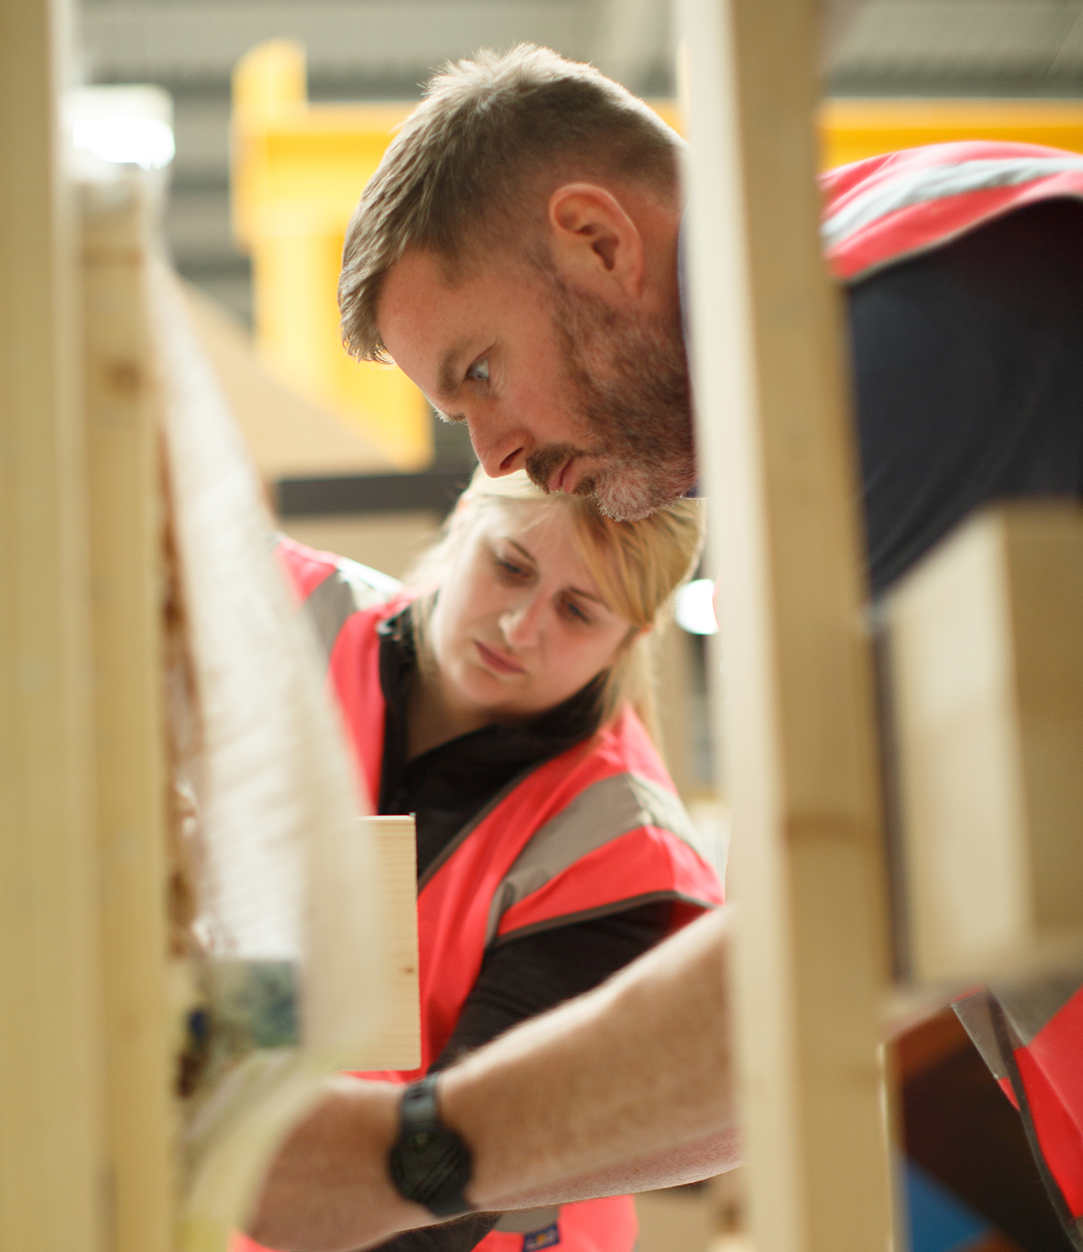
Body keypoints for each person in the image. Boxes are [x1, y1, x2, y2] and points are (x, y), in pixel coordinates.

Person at [246, 43, 1083, 1252]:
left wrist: (401, 1153)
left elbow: (802, 988)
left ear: (596, 238)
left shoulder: (896, 342)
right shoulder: (846, 370)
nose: (492, 456)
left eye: (483, 370)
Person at [259, 470, 721, 1252]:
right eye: (510, 565)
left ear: (630, 640)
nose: (519, 625)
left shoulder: (619, 848)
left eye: (578, 612)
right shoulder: (281, 612)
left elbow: (458, 1177)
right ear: (467, 517)